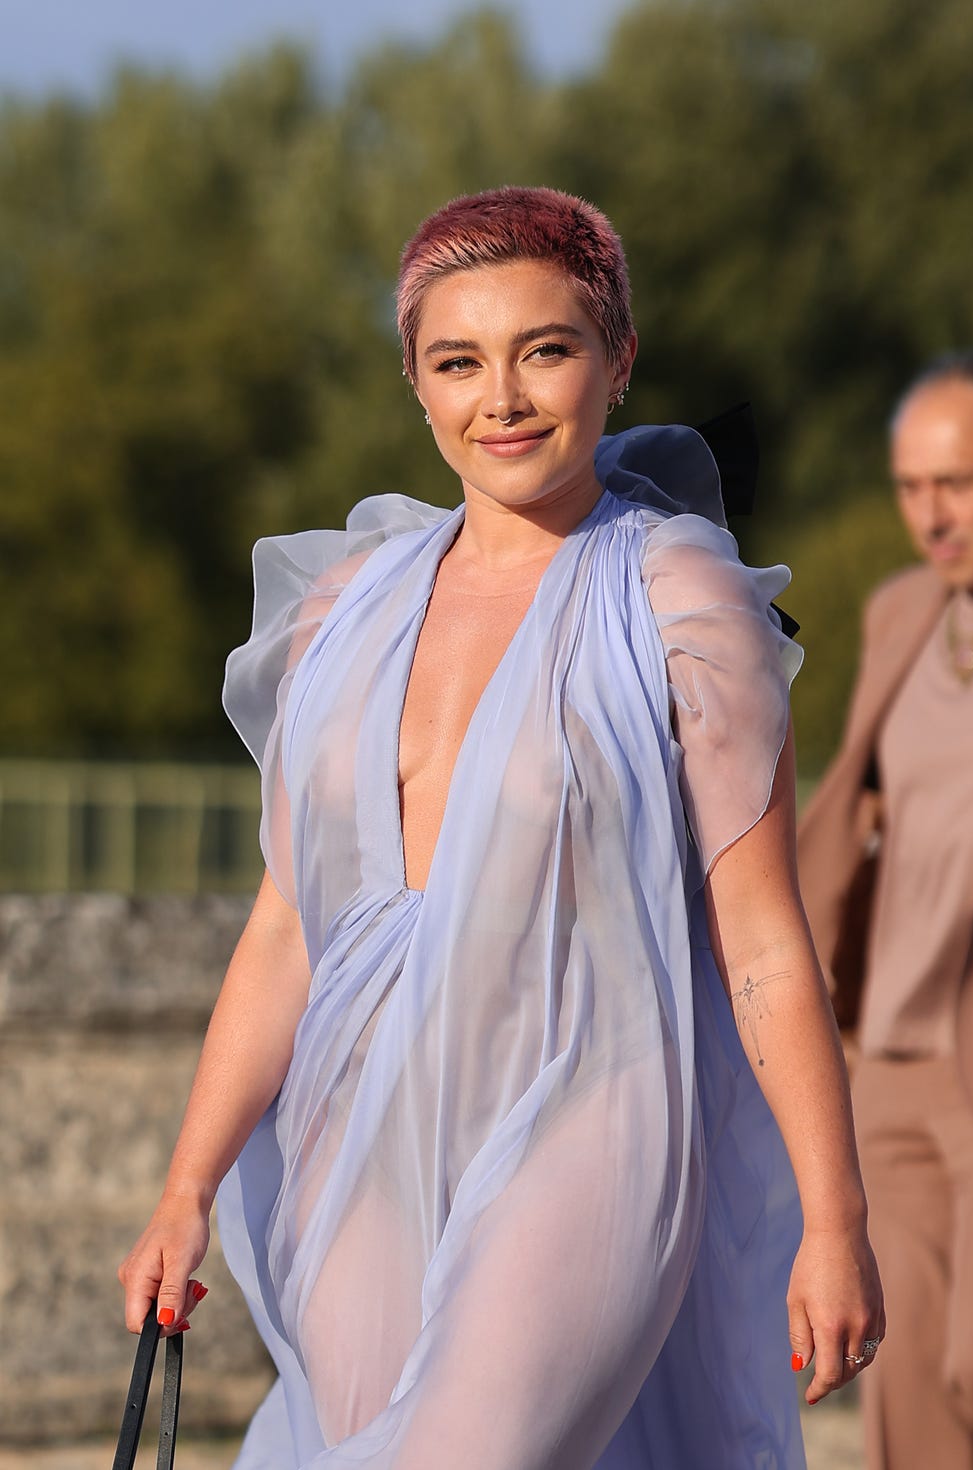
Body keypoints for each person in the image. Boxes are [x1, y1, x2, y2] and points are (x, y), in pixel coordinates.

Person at [120, 186, 882, 1469]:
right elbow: (285, 931)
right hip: (356, 1121)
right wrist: (184, 1188)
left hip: (595, 1108)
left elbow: (761, 945)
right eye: (456, 362)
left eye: (546, 349)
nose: (503, 399)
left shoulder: (682, 603)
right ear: (414, 385)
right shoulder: (341, 612)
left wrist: (834, 1216)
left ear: (616, 359)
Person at [798, 351, 973, 1470]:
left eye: (957, 482)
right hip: (893, 1070)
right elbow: (854, 817)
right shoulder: (900, 614)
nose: (931, 513)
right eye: (911, 487)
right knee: (908, 1394)